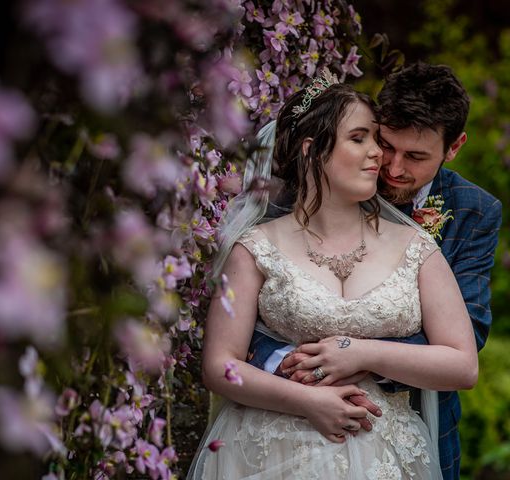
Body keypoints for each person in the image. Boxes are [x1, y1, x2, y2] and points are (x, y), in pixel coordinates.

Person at [187, 70, 478, 479]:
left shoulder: (417, 248)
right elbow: (219, 365)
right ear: (312, 150)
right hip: (269, 452)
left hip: (388, 455)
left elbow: (463, 365)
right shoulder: (255, 248)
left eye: (376, 138)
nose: (380, 154)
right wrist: (305, 401)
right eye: (360, 138)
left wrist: (362, 353)